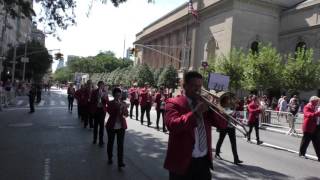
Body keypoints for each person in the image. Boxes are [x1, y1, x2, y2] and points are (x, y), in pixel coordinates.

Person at [164, 71, 226, 180]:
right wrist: (196, 113)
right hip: (181, 163)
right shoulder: (173, 102)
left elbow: (222, 125)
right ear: (185, 86)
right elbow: (172, 125)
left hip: (203, 163)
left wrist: (215, 108)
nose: (198, 89)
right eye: (194, 86)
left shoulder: (204, 104)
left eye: (200, 86)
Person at [215, 96, 243, 165]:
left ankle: (236, 159)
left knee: (233, 143)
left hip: (231, 127)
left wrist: (236, 109)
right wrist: (234, 109)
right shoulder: (224, 107)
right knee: (221, 140)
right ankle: (217, 153)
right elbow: (228, 114)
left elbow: (236, 116)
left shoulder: (233, 107)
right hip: (224, 126)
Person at [106, 87, 128, 170]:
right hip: (111, 126)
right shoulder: (110, 103)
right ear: (114, 95)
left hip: (121, 126)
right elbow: (111, 113)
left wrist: (124, 109)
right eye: (117, 94)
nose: (118, 96)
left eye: (119, 94)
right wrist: (119, 107)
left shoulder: (123, 103)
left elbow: (126, 115)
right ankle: (110, 157)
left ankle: (120, 162)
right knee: (110, 143)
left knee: (120, 145)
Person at [299, 96, 320, 161]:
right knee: (305, 141)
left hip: (316, 127)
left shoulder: (316, 107)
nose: (318, 102)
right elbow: (308, 115)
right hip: (308, 127)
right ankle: (302, 153)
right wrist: (318, 113)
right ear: (312, 101)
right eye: (317, 101)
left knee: (317, 143)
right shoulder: (307, 106)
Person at [90, 81, 109, 146]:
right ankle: (94, 139)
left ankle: (101, 140)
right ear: (98, 85)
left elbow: (107, 102)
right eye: (100, 85)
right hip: (96, 110)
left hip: (102, 111)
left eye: (102, 85)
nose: (101, 86)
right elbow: (91, 101)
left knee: (101, 127)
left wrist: (104, 98)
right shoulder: (94, 91)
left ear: (103, 85)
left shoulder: (105, 92)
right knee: (95, 126)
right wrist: (97, 97)